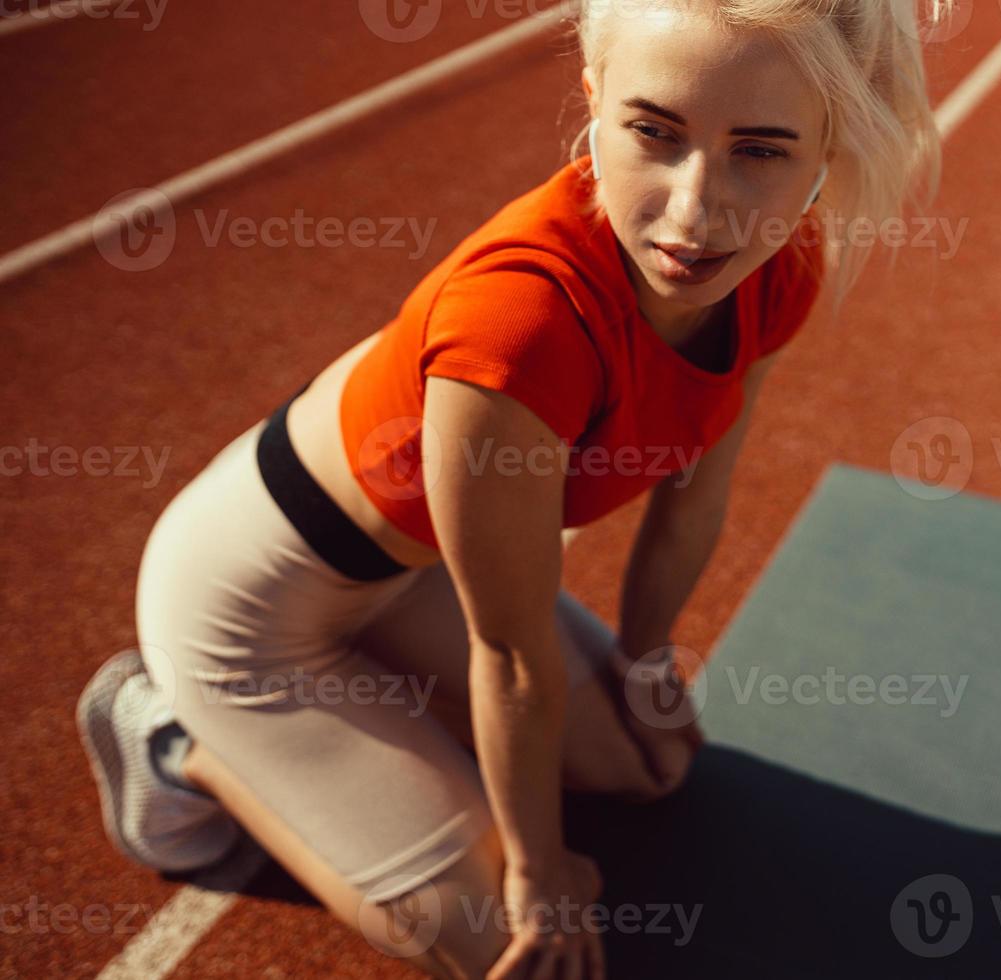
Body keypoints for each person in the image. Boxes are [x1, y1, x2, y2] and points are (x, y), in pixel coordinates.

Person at [75, 0, 949, 975]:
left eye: (761, 151)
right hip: (253, 605)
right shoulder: (517, 327)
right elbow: (512, 654)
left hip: (417, 569)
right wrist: (534, 867)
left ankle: (374, 729)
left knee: (653, 763)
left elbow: (697, 492)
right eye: (654, 133)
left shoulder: (779, 267)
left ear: (829, 143)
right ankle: (169, 734)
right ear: (594, 96)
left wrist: (648, 658)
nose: (697, 213)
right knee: (511, 941)